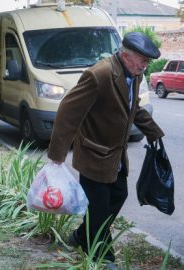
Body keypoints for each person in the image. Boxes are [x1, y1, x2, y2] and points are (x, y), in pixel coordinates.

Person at [47, 32, 165, 269]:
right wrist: (57, 158)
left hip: (115, 155)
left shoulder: (134, 74)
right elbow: (68, 113)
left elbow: (132, 107)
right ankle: (103, 255)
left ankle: (81, 236)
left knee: (119, 196)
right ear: (125, 56)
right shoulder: (99, 75)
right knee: (99, 208)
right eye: (142, 60)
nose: (145, 65)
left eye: (146, 61)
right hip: (94, 154)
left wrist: (154, 132)